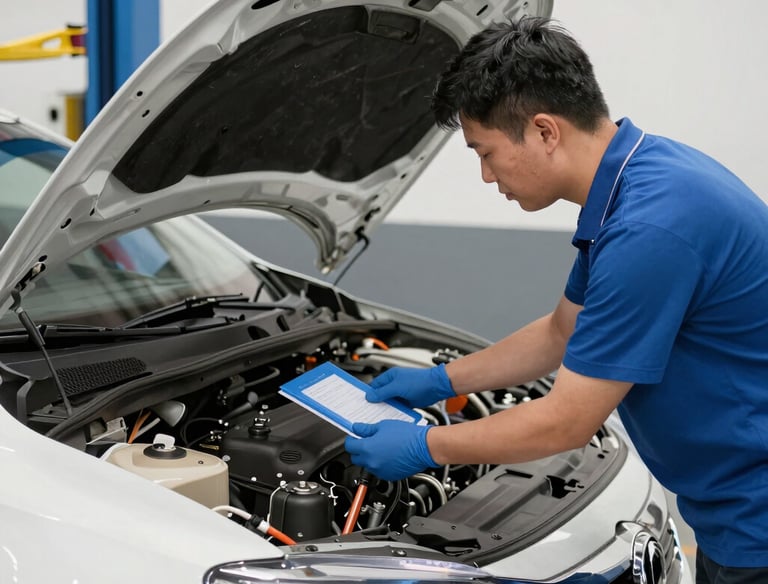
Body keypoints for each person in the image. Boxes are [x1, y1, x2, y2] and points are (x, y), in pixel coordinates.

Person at [343, 16, 768, 583]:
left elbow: (567, 421)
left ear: (545, 131)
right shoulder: (638, 181)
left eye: (485, 152)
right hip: (732, 510)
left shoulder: (650, 227)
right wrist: (444, 380)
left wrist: (429, 446)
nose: (486, 175)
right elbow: (560, 332)